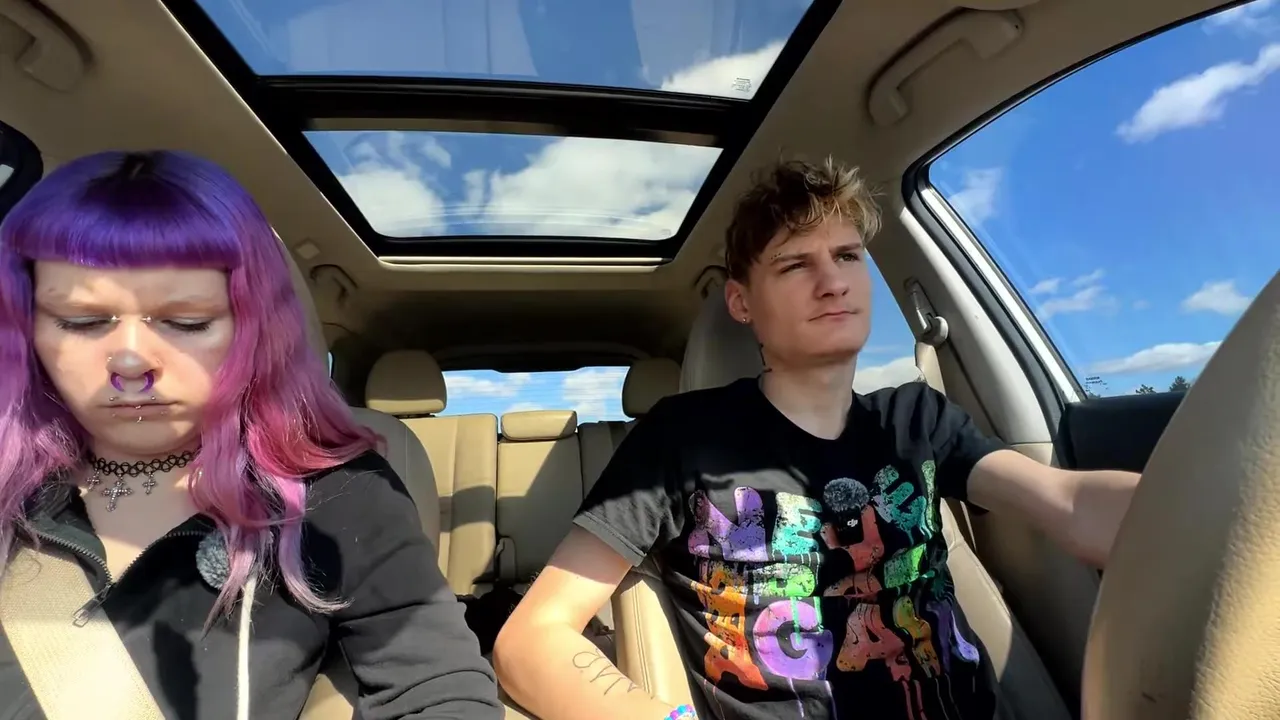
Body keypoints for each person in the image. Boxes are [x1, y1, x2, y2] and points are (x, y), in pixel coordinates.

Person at [492, 157, 1140, 720]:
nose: (833, 281)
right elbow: (532, 638)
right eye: (796, 264)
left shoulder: (918, 419)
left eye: (848, 256)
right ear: (742, 304)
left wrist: (1191, 510)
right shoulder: (681, 439)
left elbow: (1070, 502)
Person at [0, 150, 503, 719]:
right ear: (27, 329)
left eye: (187, 322)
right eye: (82, 321)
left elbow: (439, 689)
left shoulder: (337, 495)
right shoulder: (10, 485)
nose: (132, 363)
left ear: (252, 330)